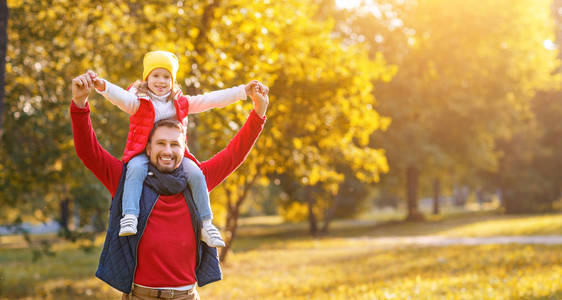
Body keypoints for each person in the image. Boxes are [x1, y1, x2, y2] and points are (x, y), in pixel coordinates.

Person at [70, 70, 268, 299]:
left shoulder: (197, 180)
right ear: (148, 147)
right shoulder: (126, 180)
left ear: (183, 147)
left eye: (174, 144)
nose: (167, 151)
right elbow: (88, 151)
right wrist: (80, 103)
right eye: (161, 143)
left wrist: (258, 114)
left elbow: (235, 154)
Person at [86, 50, 262, 248]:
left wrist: (242, 91)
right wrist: (103, 87)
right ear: (146, 78)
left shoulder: (179, 102)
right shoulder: (139, 100)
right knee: (135, 170)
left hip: (176, 156)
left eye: (166, 77)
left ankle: (206, 224)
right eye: (155, 75)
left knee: (197, 174)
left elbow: (210, 100)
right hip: (142, 153)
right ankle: (130, 215)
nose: (161, 81)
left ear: (173, 80)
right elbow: (121, 99)